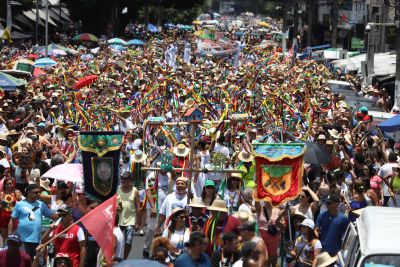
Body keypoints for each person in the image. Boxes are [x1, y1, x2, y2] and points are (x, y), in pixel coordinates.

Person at [11, 184, 58, 259]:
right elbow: (12, 219)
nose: (38, 194)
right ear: (29, 193)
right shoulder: (19, 204)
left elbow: (52, 216)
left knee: (37, 263)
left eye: (39, 192)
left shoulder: (41, 204)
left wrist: (63, 213)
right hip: (23, 240)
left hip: (37, 240)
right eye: (36, 192)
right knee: (24, 262)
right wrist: (12, 233)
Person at [116, 171, 140, 259]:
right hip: (118, 220)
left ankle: (124, 258)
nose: (123, 180)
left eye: (125, 179)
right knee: (117, 240)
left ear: (130, 180)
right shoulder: (117, 190)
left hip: (131, 220)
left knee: (128, 241)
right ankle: (117, 257)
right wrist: (115, 207)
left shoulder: (135, 191)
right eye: (121, 178)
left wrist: (138, 222)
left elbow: (138, 206)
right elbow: (112, 203)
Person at [0, 177, 23, 242]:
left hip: (14, 217)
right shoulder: (1, 194)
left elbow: (23, 204)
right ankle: (5, 251)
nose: (10, 185)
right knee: (5, 239)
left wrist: (19, 199)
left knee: (14, 238)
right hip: (3, 217)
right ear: (4, 185)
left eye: (11, 183)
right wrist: (2, 205)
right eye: (7, 184)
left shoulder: (17, 192)